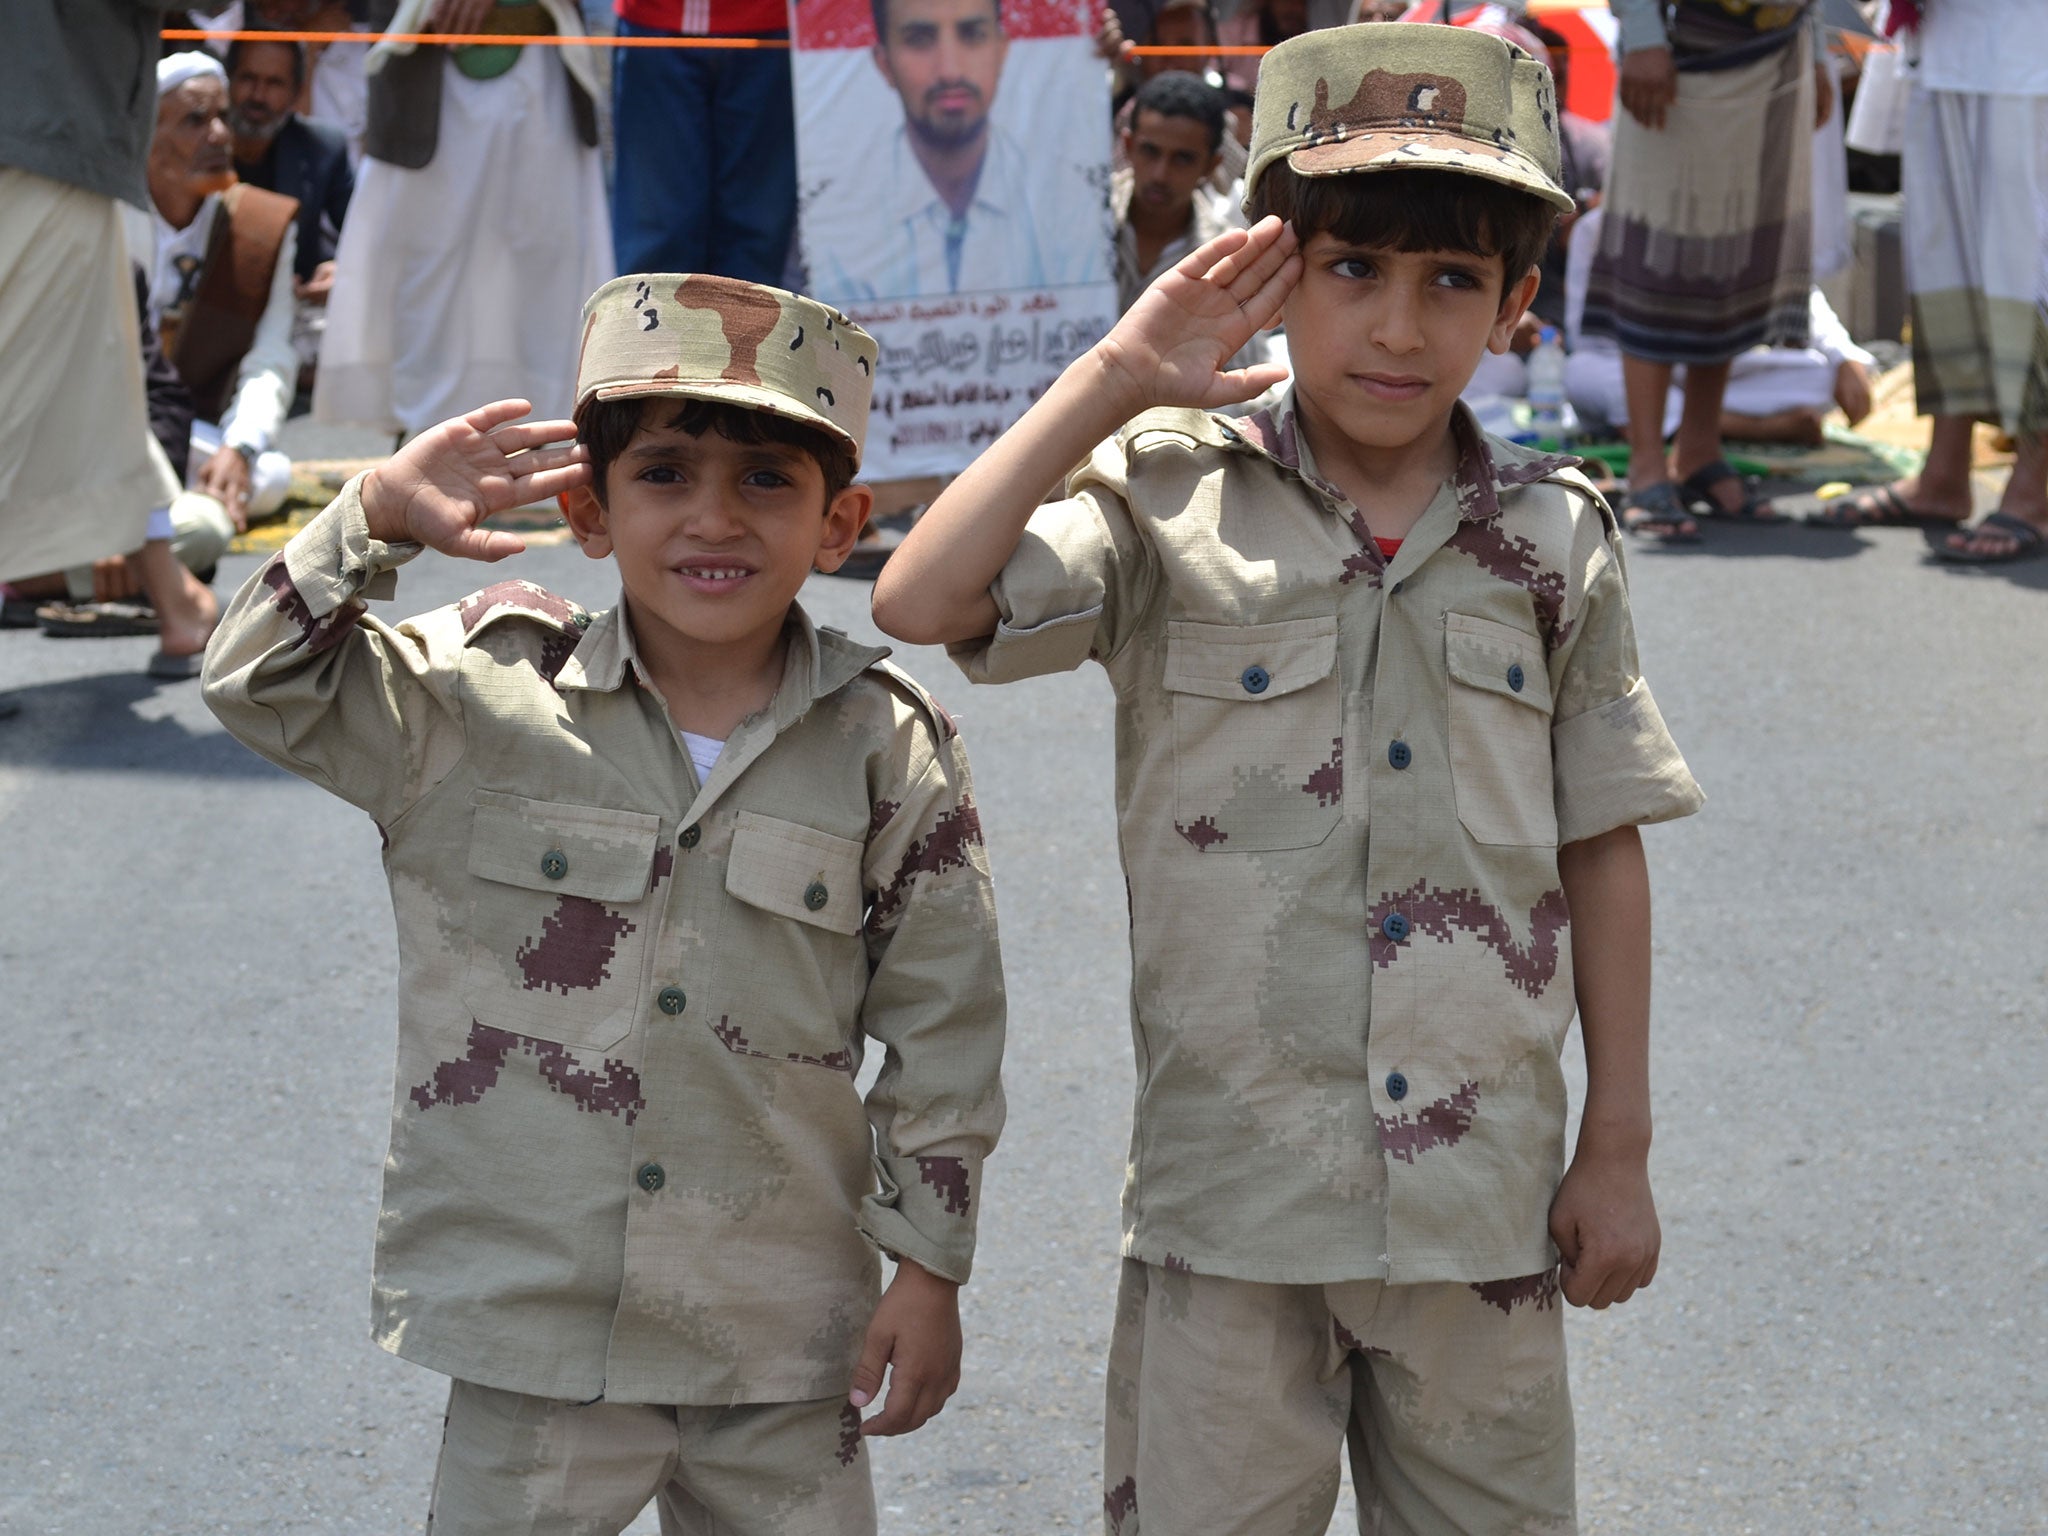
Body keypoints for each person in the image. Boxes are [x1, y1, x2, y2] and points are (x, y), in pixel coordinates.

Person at [874, 25, 1703, 1531]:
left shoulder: (1555, 540)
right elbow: (923, 600)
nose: (1399, 326)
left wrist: (1620, 1147)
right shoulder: (1167, 497)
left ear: (1519, 305)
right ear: (1275, 268)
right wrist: (1116, 380)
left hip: (1482, 1211)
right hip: (1231, 1212)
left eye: (1454, 280)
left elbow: (1602, 847)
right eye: (1353, 270)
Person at [202, 274, 1006, 1533]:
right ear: (588, 507)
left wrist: (930, 1267)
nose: (713, 519)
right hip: (541, 1337)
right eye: (665, 473)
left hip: (776, 1337)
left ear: (839, 523)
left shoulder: (881, 748)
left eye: (766, 481)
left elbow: (946, 1030)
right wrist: (372, 514)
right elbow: (254, 681)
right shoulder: (480, 697)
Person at [0, 1, 223, 677]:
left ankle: (176, 600)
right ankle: (176, 599)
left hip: (49, 132)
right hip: (41, 133)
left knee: (100, 385)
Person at [1810, 0, 2048, 562]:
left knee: (2029, 263)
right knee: (1946, 259)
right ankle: (1944, 473)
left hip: (2031, 52)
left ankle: (2035, 484)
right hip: (1944, 44)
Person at [1584, 0, 1830, 542]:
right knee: (1656, 248)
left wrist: (1817, 53)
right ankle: (1648, 464)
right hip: (1675, 53)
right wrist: (1645, 36)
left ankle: (1698, 450)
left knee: (1735, 248)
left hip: (1775, 50)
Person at [315, 0, 611, 436]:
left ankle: (544, 444)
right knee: (424, 263)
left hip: (540, 67)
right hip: (425, 72)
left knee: (543, 270)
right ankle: (429, 445)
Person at [810, 0, 1107, 301]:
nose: (950, 71)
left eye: (972, 34)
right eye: (919, 40)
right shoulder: (837, 218)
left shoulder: (1067, 203)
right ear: (884, 63)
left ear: (1001, 51)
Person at [137, 53, 299, 529]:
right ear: (146, 134)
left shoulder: (259, 224)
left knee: (269, 474)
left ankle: (202, 486)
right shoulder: (108, 217)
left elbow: (270, 359)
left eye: (222, 117)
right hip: (109, 426)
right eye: (195, 121)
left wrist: (239, 447)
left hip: (197, 431)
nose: (221, 136)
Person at [609, 0, 797, 283]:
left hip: (770, 25)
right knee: (657, 239)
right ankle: (654, 327)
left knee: (757, 237)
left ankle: (746, 327)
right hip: (654, 23)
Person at [226, 33, 356, 381]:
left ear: (296, 93)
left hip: (292, 304)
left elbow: (363, 234)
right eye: (248, 79)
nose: (257, 96)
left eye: (273, 83)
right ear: (229, 80)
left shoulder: (322, 147)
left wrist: (343, 269)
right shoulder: (201, 138)